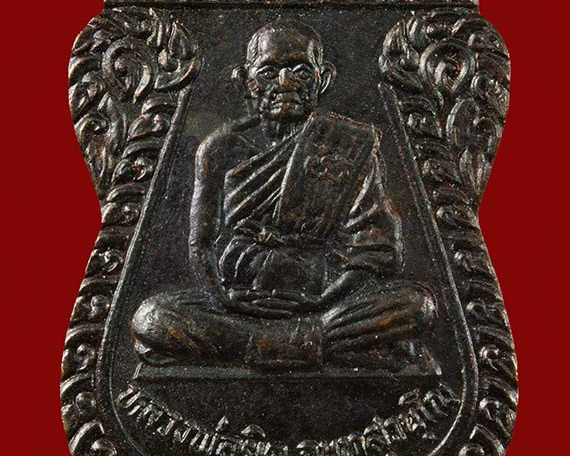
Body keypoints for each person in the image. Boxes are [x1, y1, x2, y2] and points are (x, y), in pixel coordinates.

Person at [132, 20, 436, 370]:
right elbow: (201, 243)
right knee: (152, 316)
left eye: (301, 72)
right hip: (241, 300)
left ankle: (254, 345)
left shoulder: (348, 144)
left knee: (417, 305)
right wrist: (224, 299)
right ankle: (317, 345)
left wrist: (321, 300)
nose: (286, 83)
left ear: (323, 79)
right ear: (245, 80)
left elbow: (374, 248)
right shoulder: (219, 149)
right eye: (268, 72)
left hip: (322, 298)